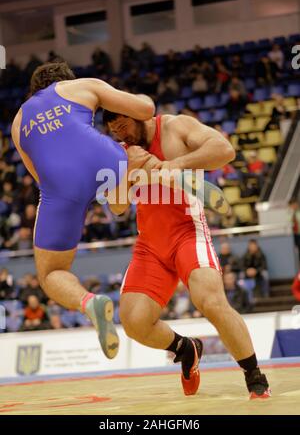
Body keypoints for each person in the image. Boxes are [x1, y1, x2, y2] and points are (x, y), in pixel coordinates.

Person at [104, 110, 271, 399]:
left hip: (187, 233)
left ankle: (254, 375)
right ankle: (185, 348)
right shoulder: (121, 152)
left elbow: (224, 150)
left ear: (138, 116)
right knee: (134, 322)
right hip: (150, 245)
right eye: (116, 131)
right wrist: (129, 175)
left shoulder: (174, 127)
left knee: (211, 301)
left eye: (125, 127)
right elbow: (117, 207)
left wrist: (176, 163)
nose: (123, 135)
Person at [11, 61, 155, 359]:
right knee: (119, 205)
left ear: (33, 89)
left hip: (61, 188)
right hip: (105, 160)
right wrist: (145, 102)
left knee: (51, 273)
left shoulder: (17, 121)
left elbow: (39, 177)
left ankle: (89, 302)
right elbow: (144, 112)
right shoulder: (82, 85)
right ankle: (159, 171)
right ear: (65, 79)